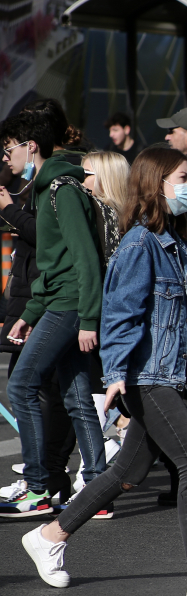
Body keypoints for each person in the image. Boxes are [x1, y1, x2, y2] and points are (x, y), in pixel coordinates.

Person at [19, 146, 187, 596]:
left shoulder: (182, 242)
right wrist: (116, 373)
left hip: (168, 373)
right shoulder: (140, 243)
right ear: (155, 185)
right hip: (146, 375)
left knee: (128, 471)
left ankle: (49, 537)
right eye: (182, 178)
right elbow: (120, 313)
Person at [0, 110, 107, 518]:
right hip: (60, 303)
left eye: (9, 149)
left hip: (70, 307)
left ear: (32, 147)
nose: (6, 158)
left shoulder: (61, 190)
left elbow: (85, 262)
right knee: (78, 397)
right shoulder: (46, 189)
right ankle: (97, 489)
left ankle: (38, 487)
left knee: (22, 384)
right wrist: (30, 312)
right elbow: (54, 262)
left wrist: (89, 320)